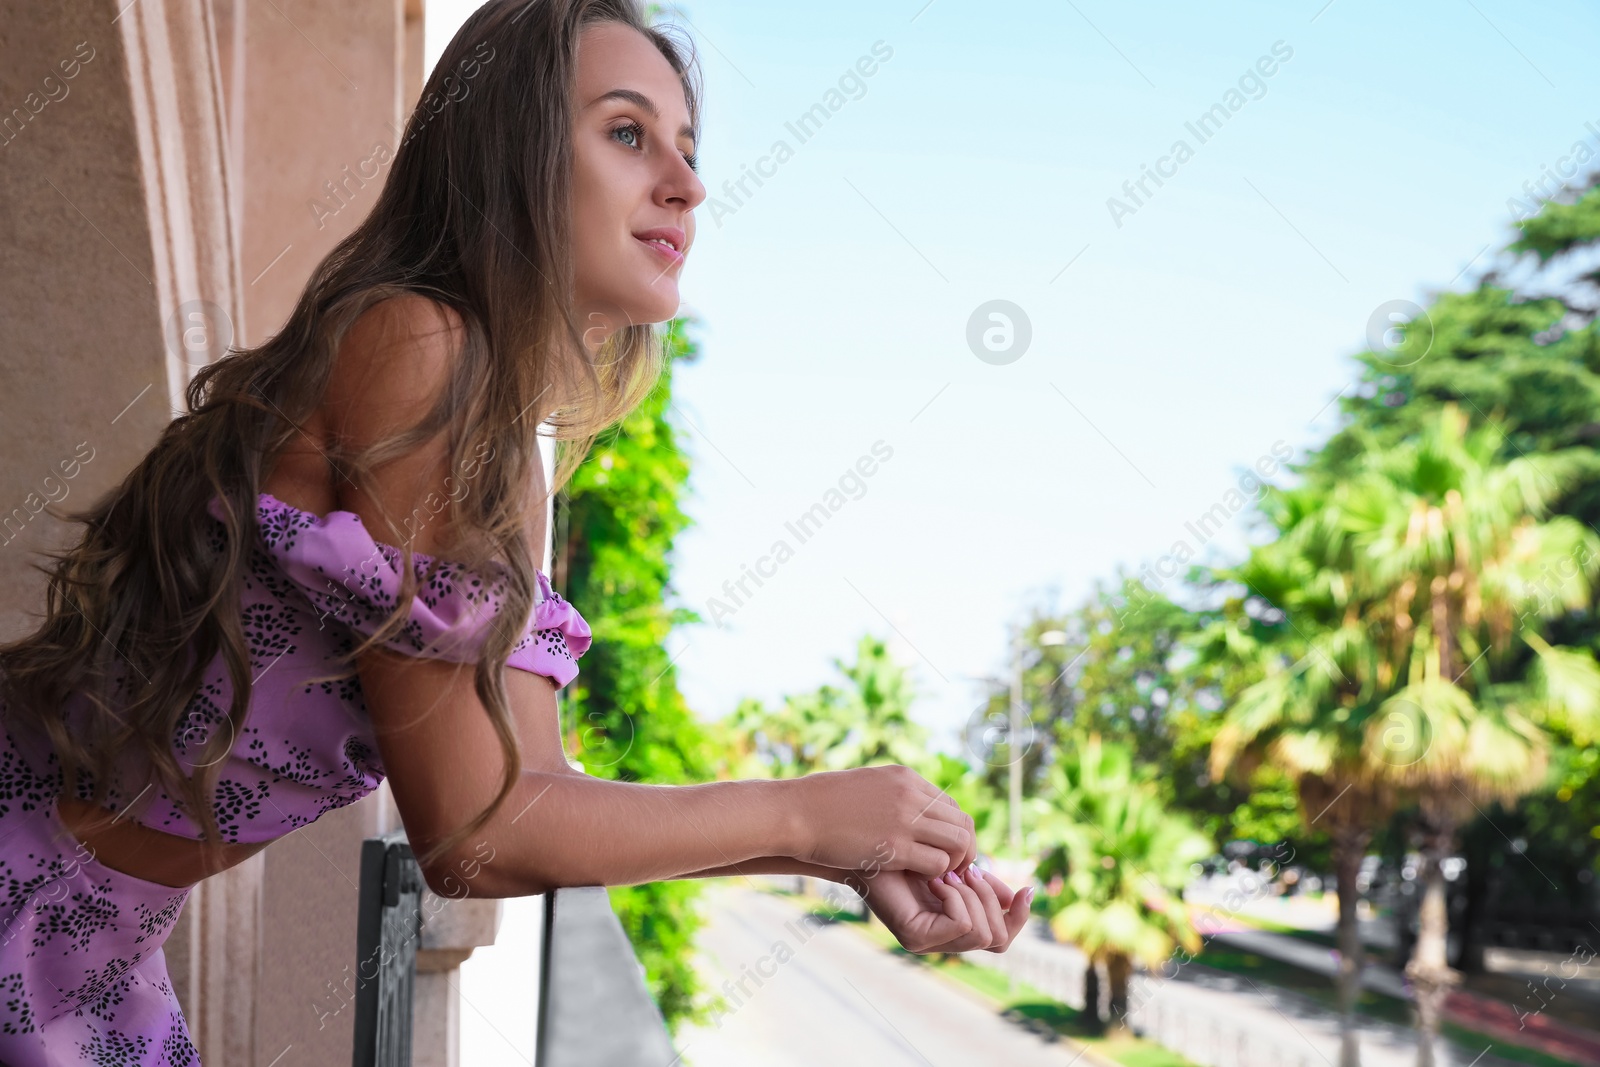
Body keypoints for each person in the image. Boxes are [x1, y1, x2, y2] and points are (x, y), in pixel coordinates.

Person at [0, 1, 1030, 1060]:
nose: (687, 183)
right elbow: (474, 834)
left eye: (686, 146)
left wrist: (841, 854)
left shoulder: (496, 449)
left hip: (85, 948)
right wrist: (804, 812)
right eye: (628, 133)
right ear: (514, 149)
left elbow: (537, 799)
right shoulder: (417, 341)